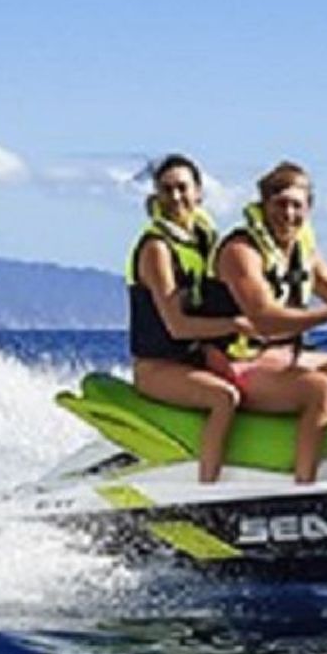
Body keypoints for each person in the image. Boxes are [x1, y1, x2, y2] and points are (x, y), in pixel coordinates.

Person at [210, 160, 327, 484]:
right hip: (237, 365)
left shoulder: (303, 248)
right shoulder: (241, 251)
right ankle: (303, 488)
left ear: (309, 209)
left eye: (296, 206)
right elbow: (265, 318)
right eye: (280, 204)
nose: (288, 214)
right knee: (321, 391)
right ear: (264, 205)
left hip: (282, 358)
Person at [126, 153, 258, 483]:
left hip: (195, 357)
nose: (175, 197)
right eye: (166, 189)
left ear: (199, 192)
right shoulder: (157, 248)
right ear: (156, 194)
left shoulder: (203, 236)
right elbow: (178, 326)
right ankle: (208, 490)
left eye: (182, 188)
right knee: (223, 398)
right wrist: (235, 325)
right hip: (158, 367)